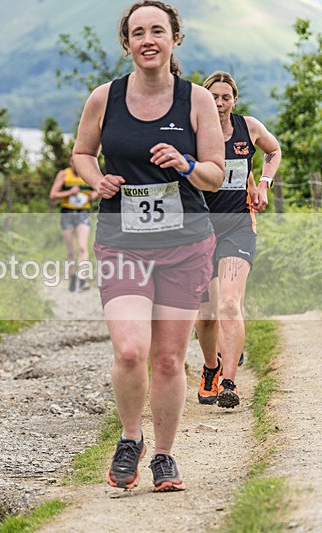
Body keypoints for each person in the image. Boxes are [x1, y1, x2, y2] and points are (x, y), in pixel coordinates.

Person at [71, 1, 224, 492]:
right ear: (127, 43)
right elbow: (81, 153)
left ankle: (164, 455)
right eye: (138, 33)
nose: (148, 40)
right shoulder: (105, 98)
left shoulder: (197, 100)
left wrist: (183, 163)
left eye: (158, 30)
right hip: (123, 242)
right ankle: (130, 437)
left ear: (175, 39)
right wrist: (97, 180)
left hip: (185, 244)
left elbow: (214, 176)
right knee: (132, 350)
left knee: (167, 357)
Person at [195, 71, 281, 408]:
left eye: (225, 97)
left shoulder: (249, 128)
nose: (218, 103)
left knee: (230, 304)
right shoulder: (193, 130)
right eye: (213, 97)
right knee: (205, 315)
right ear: (204, 99)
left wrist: (263, 183)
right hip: (199, 232)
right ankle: (210, 368)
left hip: (237, 227)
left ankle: (229, 383)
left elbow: (273, 151)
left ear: (234, 100)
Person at [49, 157, 98, 291]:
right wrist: (69, 192)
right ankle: (72, 277)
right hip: (67, 213)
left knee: (82, 247)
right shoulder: (64, 174)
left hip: (83, 213)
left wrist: (95, 194)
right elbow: (53, 194)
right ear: (70, 163)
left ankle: (83, 279)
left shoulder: (89, 173)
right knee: (71, 251)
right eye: (73, 162)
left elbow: (99, 187)